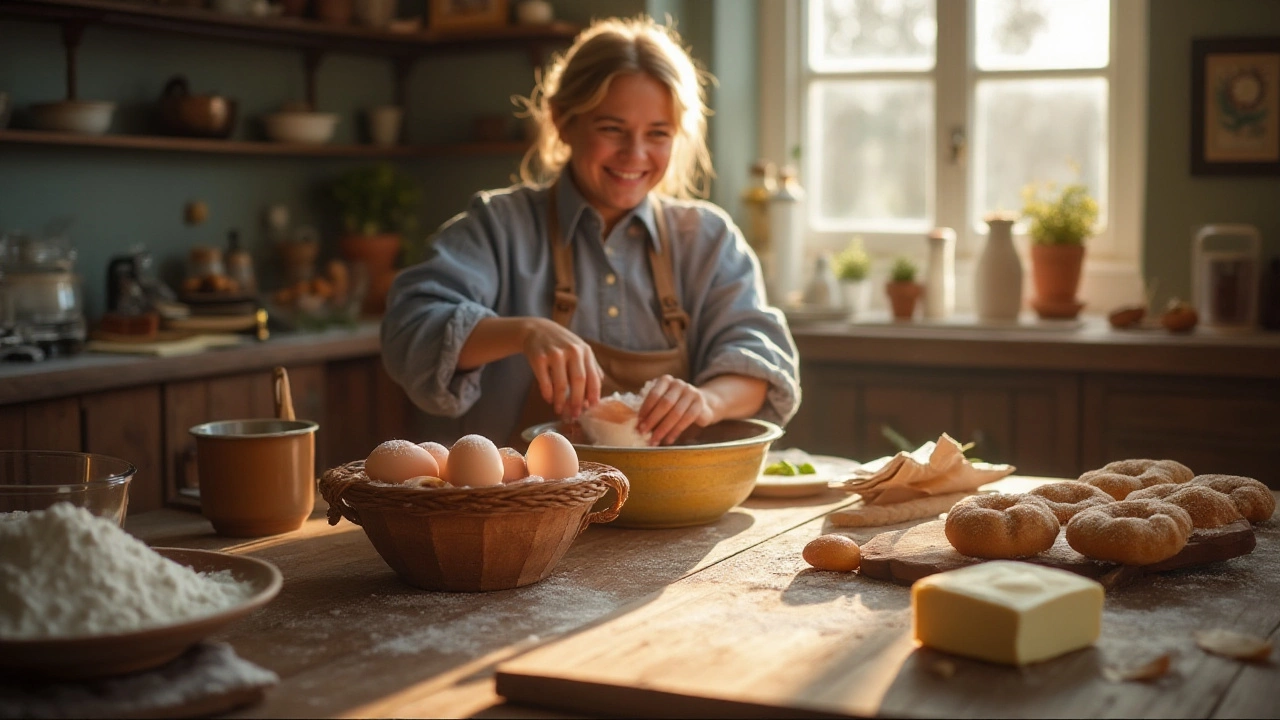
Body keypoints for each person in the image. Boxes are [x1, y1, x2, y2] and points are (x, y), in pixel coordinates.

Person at [380, 15, 800, 448]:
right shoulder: (499, 225)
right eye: (611, 129)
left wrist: (706, 400)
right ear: (563, 121)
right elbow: (409, 329)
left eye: (658, 134)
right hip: (517, 510)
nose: (634, 154)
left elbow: (760, 362)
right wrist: (525, 332)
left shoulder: (708, 239)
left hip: (673, 512)